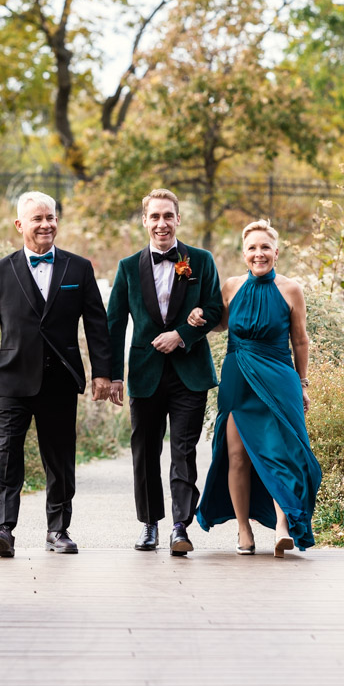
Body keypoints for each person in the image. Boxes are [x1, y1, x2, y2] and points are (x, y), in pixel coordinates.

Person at [0, 191, 112, 557]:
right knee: (7, 455)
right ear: (20, 225)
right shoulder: (0, 270)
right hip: (12, 380)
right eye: (37, 219)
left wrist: (102, 374)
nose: (46, 224)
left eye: (51, 217)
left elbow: (97, 323)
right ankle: (3, 529)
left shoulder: (78, 268)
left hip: (61, 379)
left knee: (60, 459)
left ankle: (58, 530)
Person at [191, 220, 321, 555]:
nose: (258, 254)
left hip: (278, 379)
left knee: (280, 453)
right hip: (238, 377)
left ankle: (282, 525)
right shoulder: (231, 287)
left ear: (276, 252)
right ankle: (243, 530)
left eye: (265, 247)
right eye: (252, 248)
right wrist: (196, 317)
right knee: (236, 456)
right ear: (243, 253)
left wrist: (303, 383)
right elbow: (219, 324)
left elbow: (301, 341)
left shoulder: (291, 289)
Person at [107, 188, 223, 556]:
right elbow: (113, 325)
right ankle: (149, 525)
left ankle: (179, 526)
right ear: (145, 220)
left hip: (190, 372)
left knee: (183, 450)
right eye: (154, 217)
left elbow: (216, 309)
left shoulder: (201, 261)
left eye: (168, 216)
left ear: (177, 219)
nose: (161, 224)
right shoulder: (127, 268)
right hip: (144, 372)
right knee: (144, 451)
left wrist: (183, 334)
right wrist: (112, 376)